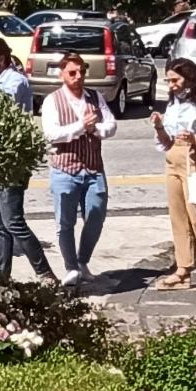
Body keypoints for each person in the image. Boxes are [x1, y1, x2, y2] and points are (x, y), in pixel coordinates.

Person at [0, 37, 56, 283]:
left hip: (12, 161)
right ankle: (0, 277)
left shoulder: (14, 81)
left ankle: (45, 273)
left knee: (13, 221)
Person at [40, 51, 116, 286]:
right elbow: (52, 134)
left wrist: (96, 130)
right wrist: (81, 126)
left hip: (93, 168)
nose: (78, 76)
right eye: (72, 72)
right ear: (62, 73)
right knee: (65, 222)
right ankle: (71, 266)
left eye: (81, 71)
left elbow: (111, 125)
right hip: (65, 169)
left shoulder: (95, 97)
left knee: (96, 215)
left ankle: (83, 261)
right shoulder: (53, 100)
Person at [150, 58, 196, 291]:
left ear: (189, 78)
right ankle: (183, 269)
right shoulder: (173, 103)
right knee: (178, 216)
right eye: (168, 80)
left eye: (175, 80)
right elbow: (166, 140)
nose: (171, 85)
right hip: (173, 158)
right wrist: (160, 127)